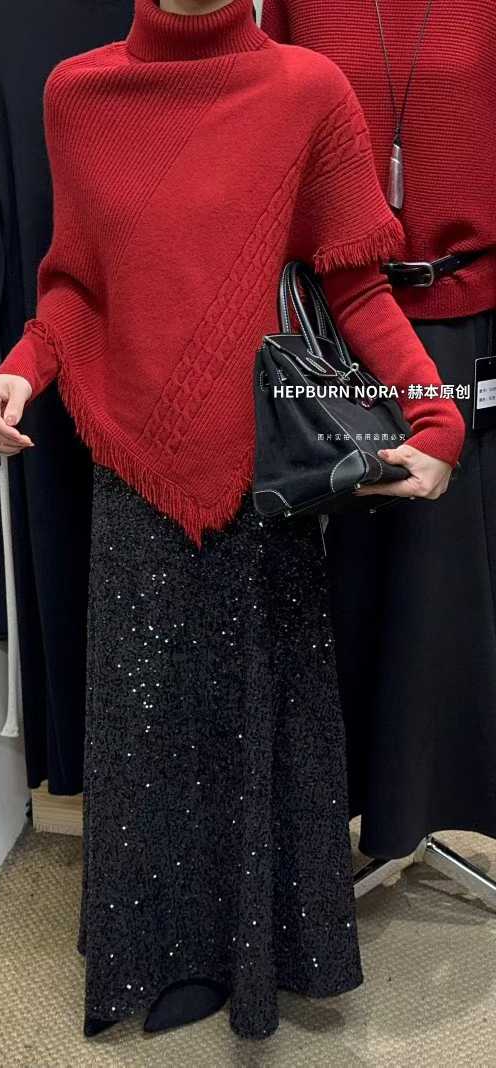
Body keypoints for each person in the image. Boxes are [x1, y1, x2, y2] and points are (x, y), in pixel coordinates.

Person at [0, 0, 464, 1041]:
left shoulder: (306, 90)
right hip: (132, 469)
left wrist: (436, 415)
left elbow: (354, 284)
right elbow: (75, 284)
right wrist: (23, 365)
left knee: (261, 719)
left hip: (262, 479)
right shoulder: (78, 94)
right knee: (147, 731)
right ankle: (161, 962)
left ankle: (264, 957)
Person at [261, 0, 496, 862]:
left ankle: (428, 806)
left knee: (446, 581)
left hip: (464, 324)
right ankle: (336, 809)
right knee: (342, 577)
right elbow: (265, 138)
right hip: (332, 333)